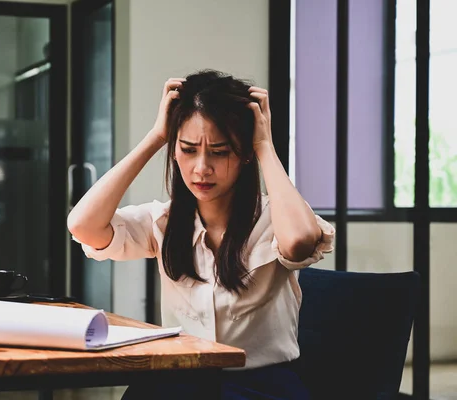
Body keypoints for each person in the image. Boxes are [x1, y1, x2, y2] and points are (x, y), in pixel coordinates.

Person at [67, 69, 335, 400]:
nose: (201, 168)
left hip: (260, 386)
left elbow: (297, 242)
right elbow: (82, 225)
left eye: (220, 151)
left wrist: (264, 145)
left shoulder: (277, 217)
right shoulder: (163, 221)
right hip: (180, 380)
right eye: (189, 149)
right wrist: (155, 137)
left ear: (245, 153)